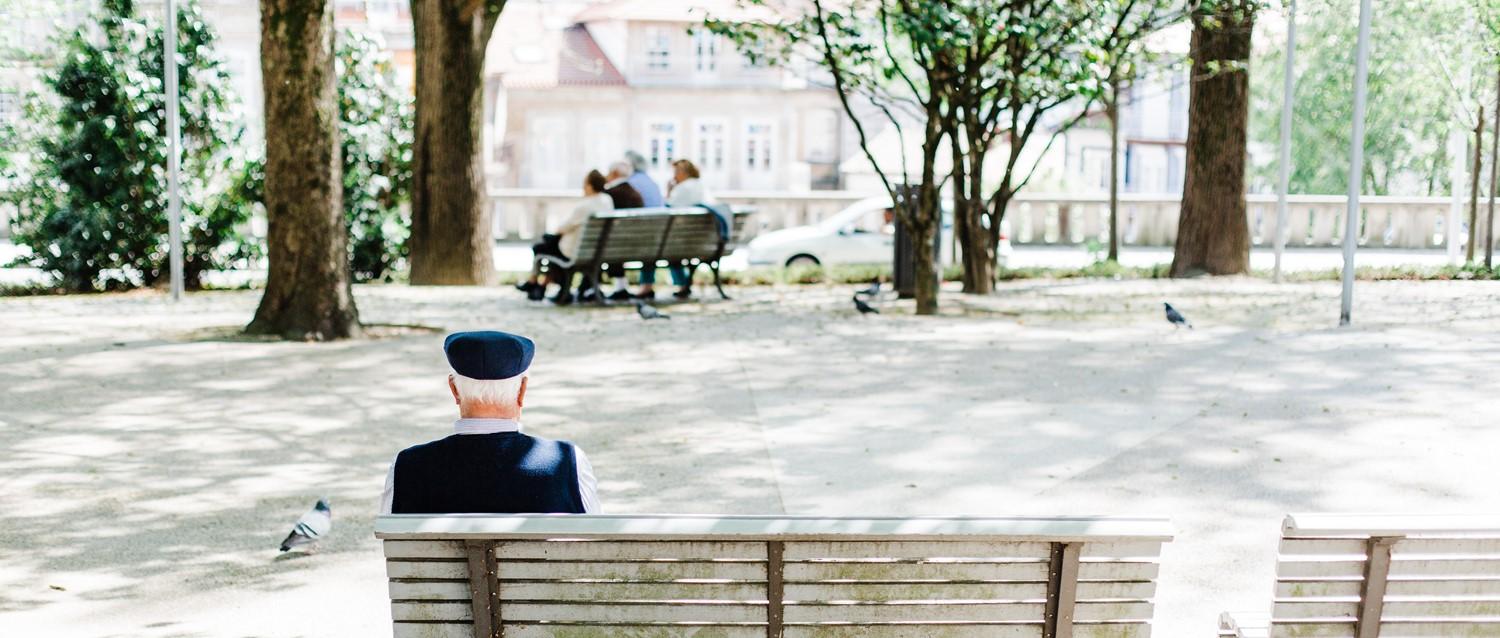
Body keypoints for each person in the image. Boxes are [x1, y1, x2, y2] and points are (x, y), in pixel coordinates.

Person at [381, 331, 599, 515]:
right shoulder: (568, 462)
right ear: (522, 391)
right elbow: (596, 540)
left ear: (454, 390)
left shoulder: (406, 466)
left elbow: (390, 540)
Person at [517, 170, 613, 304]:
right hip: (597, 251)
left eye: (584, 184)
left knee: (542, 246)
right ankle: (538, 285)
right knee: (548, 245)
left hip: (575, 251)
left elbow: (562, 228)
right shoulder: (607, 201)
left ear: (590, 186)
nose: (583, 187)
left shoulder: (584, 206)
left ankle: (535, 283)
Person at [638, 159, 711, 299]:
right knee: (671, 249)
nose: (674, 175)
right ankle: (682, 285)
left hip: (679, 240)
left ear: (683, 172)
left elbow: (668, 209)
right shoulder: (701, 186)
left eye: (676, 172)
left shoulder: (682, 188)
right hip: (698, 240)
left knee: (651, 247)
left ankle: (647, 286)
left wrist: (669, 192)